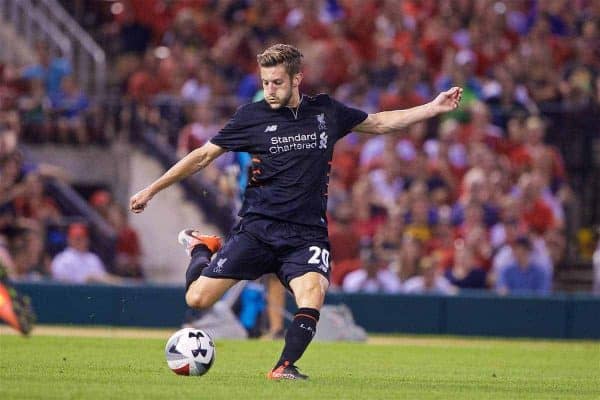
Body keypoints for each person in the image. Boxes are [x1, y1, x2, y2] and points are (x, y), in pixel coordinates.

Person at [130, 44, 462, 380]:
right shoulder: (252, 117)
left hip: (305, 235)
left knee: (313, 294)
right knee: (197, 299)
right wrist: (152, 189)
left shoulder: (326, 112)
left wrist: (432, 108)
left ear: (296, 79)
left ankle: (283, 366)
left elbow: (378, 122)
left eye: (276, 82)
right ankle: (202, 248)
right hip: (257, 230)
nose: (269, 91)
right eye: (265, 83)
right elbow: (202, 156)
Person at [50, 223, 121, 284]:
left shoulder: (93, 258)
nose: (80, 242)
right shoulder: (62, 259)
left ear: (87, 240)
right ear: (69, 239)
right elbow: (61, 281)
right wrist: (85, 280)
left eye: (82, 238)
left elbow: (104, 277)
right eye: (77, 239)